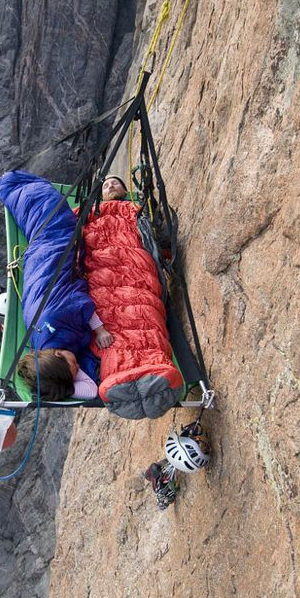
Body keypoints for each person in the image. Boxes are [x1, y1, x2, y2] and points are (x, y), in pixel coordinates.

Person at [0, 169, 113, 401]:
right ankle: (9, 187)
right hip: (43, 261)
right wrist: (66, 385)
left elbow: (80, 304)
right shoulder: (42, 355)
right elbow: (90, 390)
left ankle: (10, 184)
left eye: (73, 365)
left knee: (51, 209)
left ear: (58, 354)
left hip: (50, 250)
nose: (78, 367)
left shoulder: (53, 320)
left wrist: (100, 329)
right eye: (76, 371)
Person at [79, 173, 184, 418]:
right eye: (105, 185)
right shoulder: (87, 215)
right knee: (113, 329)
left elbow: (162, 234)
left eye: (114, 182)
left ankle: (152, 369)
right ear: (100, 195)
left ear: (125, 189)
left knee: (143, 314)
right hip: (102, 278)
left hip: (136, 271)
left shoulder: (136, 208)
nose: (110, 185)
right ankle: (120, 374)